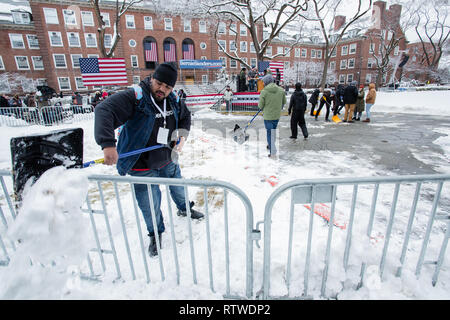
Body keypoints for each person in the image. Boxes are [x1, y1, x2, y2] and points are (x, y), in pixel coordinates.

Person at [94, 62, 204, 257]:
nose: (162, 89)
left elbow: (186, 117)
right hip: (142, 165)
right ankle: (155, 233)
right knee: (149, 203)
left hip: (168, 158)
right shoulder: (135, 96)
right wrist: (108, 144)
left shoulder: (174, 99)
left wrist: (181, 135)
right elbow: (104, 110)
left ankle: (184, 208)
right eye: (159, 83)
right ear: (152, 78)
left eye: (168, 87)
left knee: (178, 187)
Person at [258, 74, 286, 159]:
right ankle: (271, 146)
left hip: (268, 116)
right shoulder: (281, 90)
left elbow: (260, 106)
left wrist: (263, 106)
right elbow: (284, 101)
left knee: (270, 133)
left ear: (266, 82)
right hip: (276, 116)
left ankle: (273, 153)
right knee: (272, 132)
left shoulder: (264, 91)